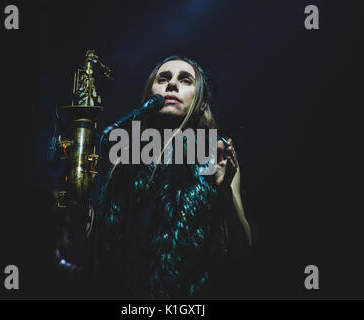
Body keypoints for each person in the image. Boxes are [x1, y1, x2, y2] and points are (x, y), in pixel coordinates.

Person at [56, 56, 252, 299]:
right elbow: (106, 244)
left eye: (185, 80)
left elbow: (242, 248)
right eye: (164, 78)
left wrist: (225, 193)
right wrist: (81, 209)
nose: (171, 84)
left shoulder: (217, 152)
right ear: (150, 92)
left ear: (201, 101)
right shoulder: (126, 154)